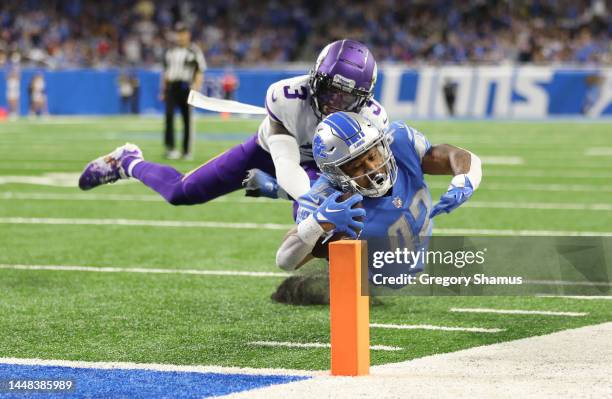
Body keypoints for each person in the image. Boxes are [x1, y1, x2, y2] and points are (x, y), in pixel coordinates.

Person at [78, 40, 388, 216]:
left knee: (332, 211)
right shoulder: (287, 97)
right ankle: (127, 161)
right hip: (269, 154)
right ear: (314, 78)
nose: (335, 102)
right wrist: (307, 199)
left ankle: (349, 283)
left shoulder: (372, 119)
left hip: (325, 166)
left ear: (362, 99)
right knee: (181, 192)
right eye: (330, 90)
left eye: (346, 97)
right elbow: (286, 163)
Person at [275, 111, 482, 273]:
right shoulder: (324, 194)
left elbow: (455, 155)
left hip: (418, 256)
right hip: (371, 281)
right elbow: (285, 261)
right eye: (356, 166)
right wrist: (317, 222)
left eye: (372, 155)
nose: (373, 169)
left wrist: (465, 179)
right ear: (336, 173)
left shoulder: (399, 142)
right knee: (319, 239)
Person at [160, 22, 206, 160]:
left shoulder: (194, 51)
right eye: (178, 33)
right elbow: (165, 72)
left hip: (186, 87)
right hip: (172, 87)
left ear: (188, 35)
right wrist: (163, 90)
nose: (180, 36)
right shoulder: (170, 51)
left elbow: (199, 72)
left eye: (183, 33)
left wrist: (196, 91)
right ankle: (171, 148)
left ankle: (186, 151)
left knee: (187, 119)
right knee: (169, 116)